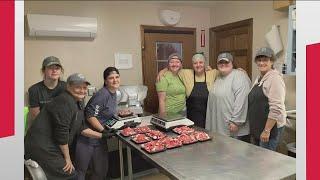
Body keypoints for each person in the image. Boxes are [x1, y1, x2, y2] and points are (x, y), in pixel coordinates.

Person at [24, 73, 115, 180]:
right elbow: (62, 134)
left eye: (84, 88)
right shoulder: (64, 101)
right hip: (42, 148)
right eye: (78, 87)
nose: (82, 90)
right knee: (71, 176)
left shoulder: (78, 102)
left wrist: (102, 134)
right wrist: (67, 159)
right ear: (68, 87)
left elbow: (80, 128)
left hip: (51, 146)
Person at [75, 67, 120, 180]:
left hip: (100, 139)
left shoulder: (114, 93)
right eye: (111, 78)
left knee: (101, 172)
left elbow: (104, 113)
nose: (115, 80)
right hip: (87, 139)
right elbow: (90, 115)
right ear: (105, 81)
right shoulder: (103, 94)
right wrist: (103, 130)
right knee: (81, 173)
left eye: (117, 77)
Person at [157, 53, 218, 127]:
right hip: (176, 114)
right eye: (195, 63)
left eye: (201, 62)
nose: (198, 65)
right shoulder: (165, 76)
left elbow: (225, 71)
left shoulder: (211, 73)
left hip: (190, 113)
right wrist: (162, 70)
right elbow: (161, 100)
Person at [205, 52, 251, 142]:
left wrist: (236, 121)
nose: (223, 64)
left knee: (235, 154)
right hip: (220, 127)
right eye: (220, 62)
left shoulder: (240, 76)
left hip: (234, 129)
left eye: (226, 62)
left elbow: (242, 100)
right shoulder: (218, 77)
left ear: (232, 63)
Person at [248, 47, 286, 151]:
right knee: (259, 159)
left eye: (265, 60)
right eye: (259, 60)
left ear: (272, 61)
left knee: (266, 162)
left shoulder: (275, 78)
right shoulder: (260, 78)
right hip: (259, 126)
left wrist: (267, 130)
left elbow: (276, 108)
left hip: (270, 129)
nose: (261, 63)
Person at [27, 56, 66, 122]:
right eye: (51, 68)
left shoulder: (67, 87)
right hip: (43, 126)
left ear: (61, 71)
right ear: (43, 70)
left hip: (63, 125)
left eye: (57, 68)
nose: (54, 71)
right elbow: (36, 117)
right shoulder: (34, 90)